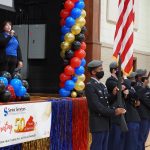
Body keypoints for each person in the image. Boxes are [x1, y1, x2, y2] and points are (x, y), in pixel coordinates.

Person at [85, 60, 126, 150]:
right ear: (93, 72)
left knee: (104, 147)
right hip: (98, 122)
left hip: (106, 122)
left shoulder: (102, 85)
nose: (102, 71)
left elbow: (107, 100)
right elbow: (97, 106)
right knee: (97, 147)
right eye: (100, 69)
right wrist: (114, 112)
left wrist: (114, 94)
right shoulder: (90, 86)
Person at [106, 61, 126, 150]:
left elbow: (127, 86)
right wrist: (124, 80)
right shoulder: (110, 81)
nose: (120, 71)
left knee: (120, 139)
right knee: (115, 139)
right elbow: (123, 87)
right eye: (119, 69)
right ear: (114, 70)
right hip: (115, 112)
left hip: (121, 110)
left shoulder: (119, 80)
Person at [122, 72, 141, 150]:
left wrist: (137, 100)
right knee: (131, 143)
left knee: (135, 142)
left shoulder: (132, 88)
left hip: (135, 117)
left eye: (134, 79)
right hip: (129, 118)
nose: (134, 80)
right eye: (132, 79)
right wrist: (126, 79)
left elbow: (136, 96)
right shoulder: (125, 88)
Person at [136, 75, 150, 150]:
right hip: (143, 116)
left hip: (148, 116)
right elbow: (144, 99)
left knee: (144, 137)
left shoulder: (147, 88)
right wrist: (144, 86)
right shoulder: (138, 87)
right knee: (140, 137)